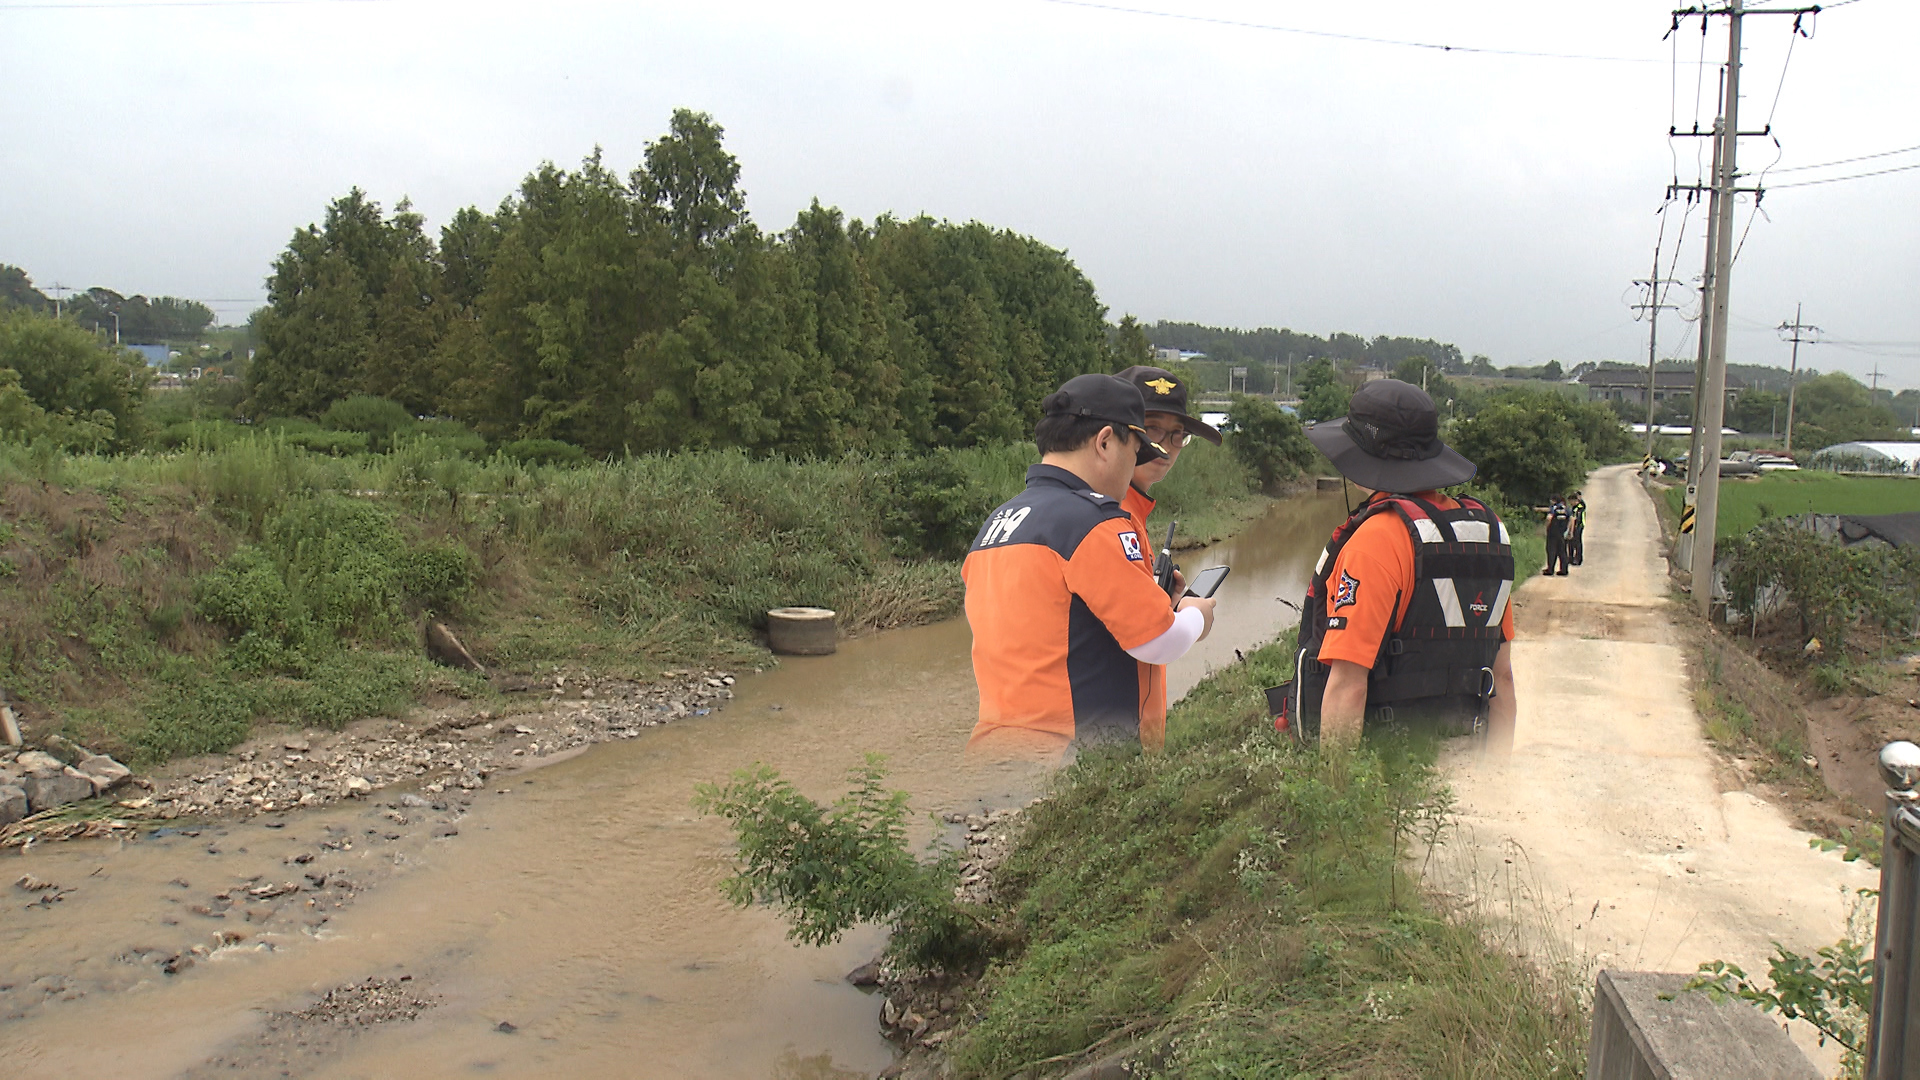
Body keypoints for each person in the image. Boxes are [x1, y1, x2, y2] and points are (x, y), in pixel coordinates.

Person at [964, 373, 1218, 760]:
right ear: (1104, 443)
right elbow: (1159, 640)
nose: (1140, 463)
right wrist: (1196, 615)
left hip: (994, 754)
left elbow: (1057, 625)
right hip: (1072, 762)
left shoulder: (998, 522)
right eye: (1136, 451)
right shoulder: (1096, 523)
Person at [1279, 379, 1517, 751]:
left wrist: (1335, 795)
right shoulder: (1488, 534)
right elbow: (1501, 677)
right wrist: (1498, 777)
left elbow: (1347, 684)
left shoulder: (1376, 541)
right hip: (1465, 763)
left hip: (1387, 778)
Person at [1111, 365, 1225, 748]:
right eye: (1153, 428)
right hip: (1108, 744)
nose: (1167, 445)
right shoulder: (1108, 517)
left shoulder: (1132, 509)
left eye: (1178, 434)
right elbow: (1149, 638)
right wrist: (1195, 615)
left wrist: (1166, 605)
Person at [1542, 494, 1571, 576]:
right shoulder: (1566, 508)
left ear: (1554, 500)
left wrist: (1546, 527)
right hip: (1562, 533)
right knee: (1562, 551)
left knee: (1551, 550)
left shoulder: (1554, 508)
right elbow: (1571, 519)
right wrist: (1568, 530)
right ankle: (1564, 570)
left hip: (1553, 532)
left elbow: (1549, 518)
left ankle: (1550, 570)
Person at [1567, 490, 1587, 566]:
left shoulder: (1580, 506)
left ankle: (1578, 559)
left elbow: (1576, 518)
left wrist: (1578, 497)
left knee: (1577, 542)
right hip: (1574, 526)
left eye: (1571, 501)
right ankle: (1571, 558)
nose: (1570, 503)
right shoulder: (1574, 507)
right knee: (1570, 542)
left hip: (1579, 526)